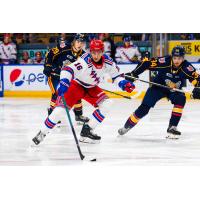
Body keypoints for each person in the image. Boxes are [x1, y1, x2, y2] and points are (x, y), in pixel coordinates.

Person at [32, 39, 135, 145]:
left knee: (107, 103)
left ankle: (87, 130)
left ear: (102, 51)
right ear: (90, 51)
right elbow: (68, 70)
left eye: (98, 52)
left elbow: (116, 76)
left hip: (91, 88)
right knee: (60, 111)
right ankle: (42, 133)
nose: (95, 55)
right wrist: (64, 81)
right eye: (93, 52)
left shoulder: (108, 62)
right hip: (75, 86)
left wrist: (124, 84)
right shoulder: (85, 60)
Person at [118, 46, 200, 139]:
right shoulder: (165, 61)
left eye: (180, 58)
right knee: (144, 109)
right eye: (175, 58)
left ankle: (172, 127)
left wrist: (198, 88)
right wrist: (134, 73)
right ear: (172, 56)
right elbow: (146, 64)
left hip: (174, 90)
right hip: (157, 87)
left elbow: (197, 79)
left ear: (183, 58)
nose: (177, 61)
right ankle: (127, 126)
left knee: (181, 99)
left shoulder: (187, 67)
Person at [43, 33, 89, 124]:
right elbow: (50, 54)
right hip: (54, 76)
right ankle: (51, 114)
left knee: (76, 92)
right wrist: (48, 66)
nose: (80, 44)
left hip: (67, 78)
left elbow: (85, 69)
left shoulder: (84, 56)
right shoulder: (64, 47)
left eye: (82, 42)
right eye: (78, 41)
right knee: (57, 93)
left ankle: (78, 115)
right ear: (74, 41)